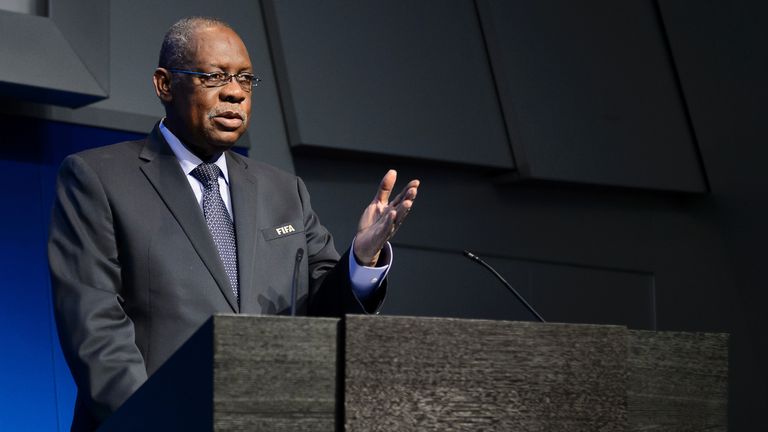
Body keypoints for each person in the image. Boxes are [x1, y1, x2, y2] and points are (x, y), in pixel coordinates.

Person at [48, 17, 419, 431]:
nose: (235, 92)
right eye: (214, 77)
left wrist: (362, 261)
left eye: (245, 78)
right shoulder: (98, 177)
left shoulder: (284, 192)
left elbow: (324, 314)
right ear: (164, 85)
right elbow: (95, 331)